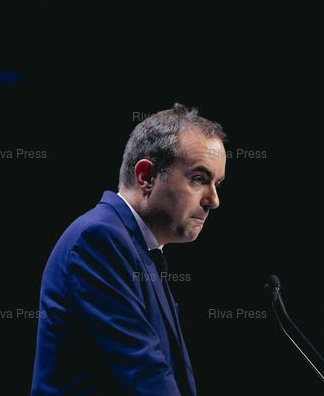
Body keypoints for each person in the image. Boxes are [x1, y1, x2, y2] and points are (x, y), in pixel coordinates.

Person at [30, 103, 227, 395]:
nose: (213, 200)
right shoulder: (99, 239)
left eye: (217, 184)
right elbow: (143, 370)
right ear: (146, 177)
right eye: (199, 179)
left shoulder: (139, 246)